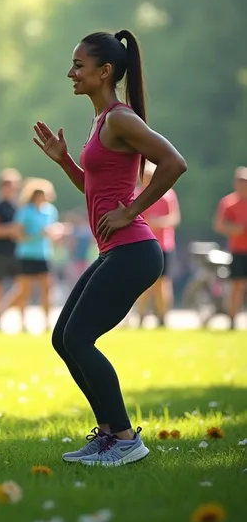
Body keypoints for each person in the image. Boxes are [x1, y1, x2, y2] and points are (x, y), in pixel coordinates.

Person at [33, 29, 186, 467]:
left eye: (79, 66)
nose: (71, 73)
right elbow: (93, 187)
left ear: (104, 72)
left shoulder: (121, 118)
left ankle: (124, 439)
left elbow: (174, 162)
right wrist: (65, 160)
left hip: (134, 249)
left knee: (79, 338)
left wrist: (132, 209)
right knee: (64, 338)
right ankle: (107, 435)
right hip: (116, 251)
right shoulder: (101, 121)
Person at [0, 178, 61, 332]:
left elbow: (52, 232)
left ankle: (47, 323)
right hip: (26, 254)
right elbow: (17, 234)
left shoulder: (50, 210)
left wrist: (54, 234)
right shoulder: (25, 211)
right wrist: (37, 235)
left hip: (44, 254)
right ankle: (19, 321)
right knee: (24, 290)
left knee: (47, 289)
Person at [136, 161, 181, 327]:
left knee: (163, 282)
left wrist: (158, 222)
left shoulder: (167, 195)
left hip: (164, 245)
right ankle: (140, 316)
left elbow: (175, 218)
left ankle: (162, 316)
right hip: (143, 245)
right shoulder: (137, 195)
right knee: (143, 282)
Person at [0, 168, 22, 329]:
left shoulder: (19, 206)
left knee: (22, 286)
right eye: (8, 184)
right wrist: (11, 230)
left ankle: (17, 318)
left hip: (18, 250)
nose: (11, 188)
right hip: (0, 250)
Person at [214, 166, 247, 329]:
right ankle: (233, 319)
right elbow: (220, 225)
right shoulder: (229, 202)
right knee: (237, 285)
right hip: (238, 249)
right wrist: (235, 229)